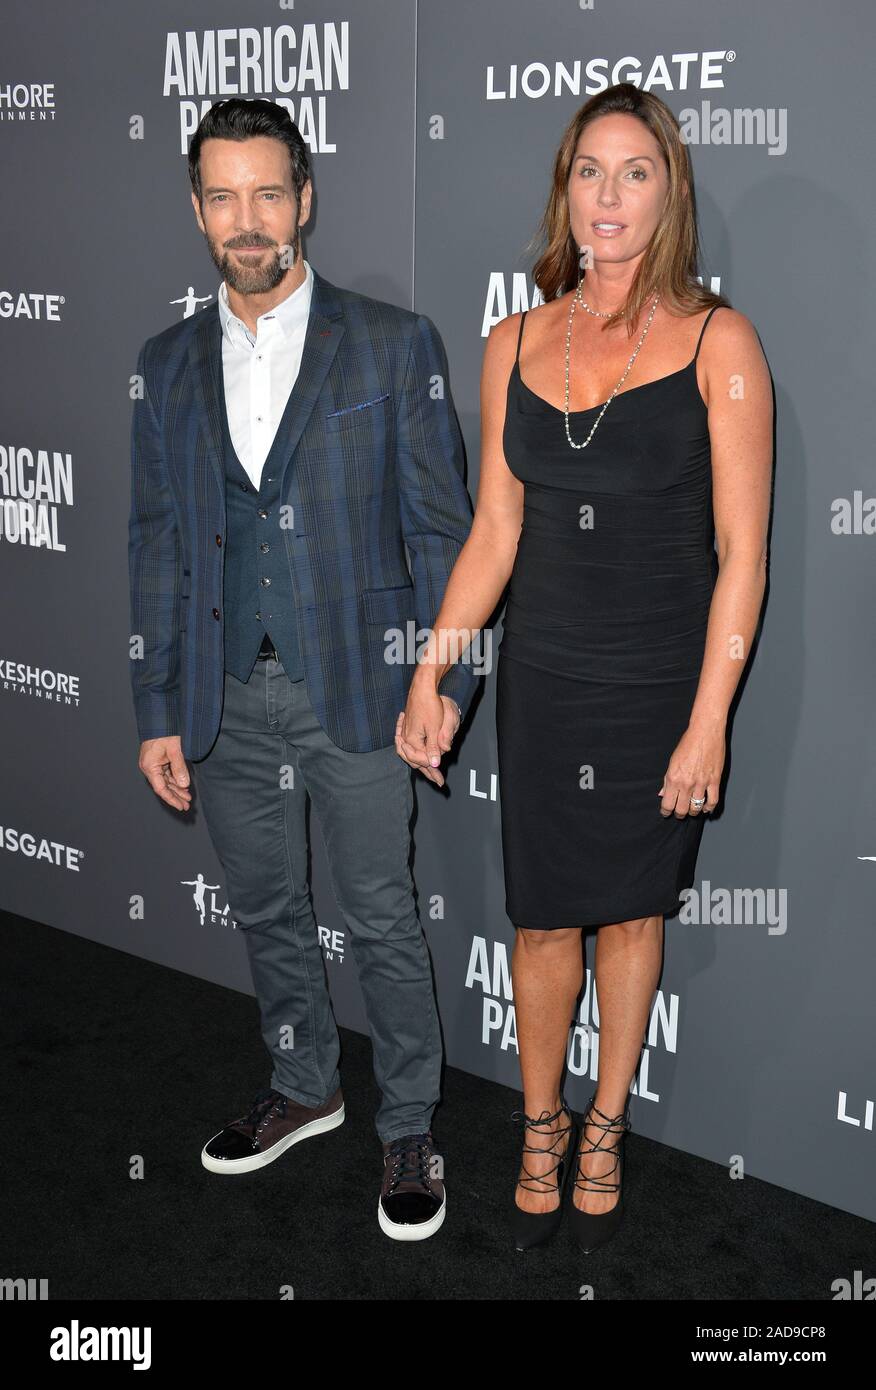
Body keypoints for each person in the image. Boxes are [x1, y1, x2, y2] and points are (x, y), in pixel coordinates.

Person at [396, 82, 773, 1253]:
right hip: (546, 685)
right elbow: (496, 534)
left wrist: (709, 719)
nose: (609, 197)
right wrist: (434, 671)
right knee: (545, 918)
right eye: (590, 173)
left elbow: (743, 555)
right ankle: (543, 1117)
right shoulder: (513, 339)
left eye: (636, 173)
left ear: (672, 194)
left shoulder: (722, 341)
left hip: (662, 684)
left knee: (629, 915)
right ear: (565, 191)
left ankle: (607, 1122)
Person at [128, 97, 477, 1241]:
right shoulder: (166, 362)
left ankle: (411, 1121)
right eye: (222, 195)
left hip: (364, 685)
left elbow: (441, 535)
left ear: (305, 199)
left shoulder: (393, 342)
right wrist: (157, 704)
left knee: (379, 914)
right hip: (228, 688)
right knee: (269, 905)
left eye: (268, 192)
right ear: (195, 208)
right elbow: (162, 541)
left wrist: (442, 681)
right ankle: (306, 1083)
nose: (246, 218)